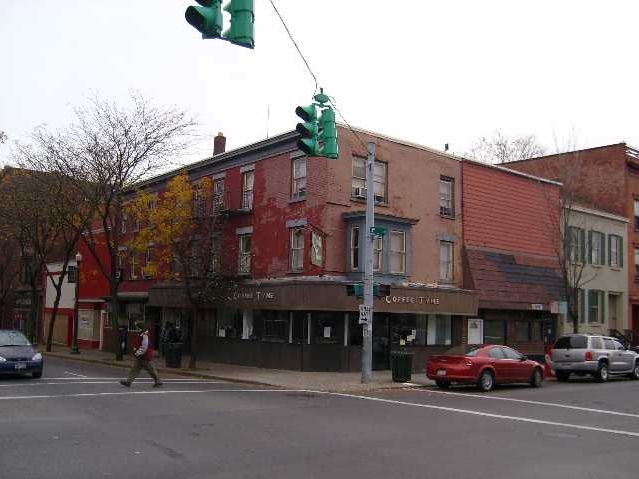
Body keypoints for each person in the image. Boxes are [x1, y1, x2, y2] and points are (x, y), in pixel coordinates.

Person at [120, 320, 163, 388]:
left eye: (136, 326)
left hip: (145, 355)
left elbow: (144, 346)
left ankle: (158, 381)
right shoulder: (141, 333)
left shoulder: (144, 334)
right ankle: (128, 382)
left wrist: (138, 352)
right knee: (135, 369)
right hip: (141, 356)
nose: (135, 327)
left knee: (151, 369)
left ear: (139, 326)